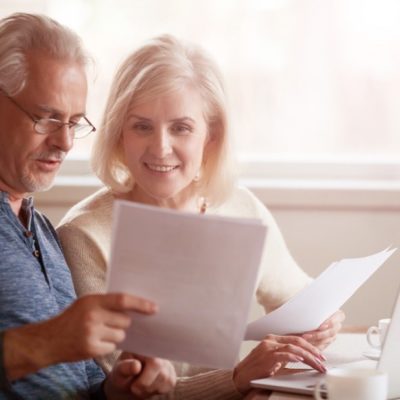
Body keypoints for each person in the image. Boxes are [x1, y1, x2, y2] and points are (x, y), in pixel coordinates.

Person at [57, 35, 345, 398]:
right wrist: (238, 378)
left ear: (211, 136)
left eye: (181, 127)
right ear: (118, 134)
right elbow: (124, 389)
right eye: (142, 126)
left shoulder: (240, 208)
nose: (160, 147)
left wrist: (323, 321)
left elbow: (298, 297)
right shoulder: (84, 236)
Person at [0, 13, 177, 399]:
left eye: (74, 122)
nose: (65, 142)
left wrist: (117, 389)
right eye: (47, 118)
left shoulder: (43, 230)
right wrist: (42, 343)